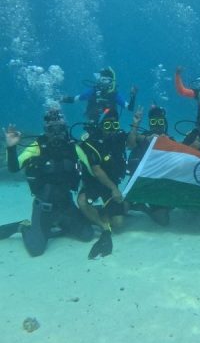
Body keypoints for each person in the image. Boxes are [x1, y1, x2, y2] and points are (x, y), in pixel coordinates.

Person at [4, 110, 94, 256]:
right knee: (36, 250)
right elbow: (14, 168)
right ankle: (22, 226)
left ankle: (58, 222)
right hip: (43, 209)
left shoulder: (74, 147)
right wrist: (11, 147)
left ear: (65, 128)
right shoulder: (37, 147)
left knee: (87, 235)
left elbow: (91, 172)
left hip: (66, 206)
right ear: (45, 130)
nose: (56, 133)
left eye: (60, 128)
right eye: (52, 129)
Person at [77, 108, 128, 258]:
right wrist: (114, 189)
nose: (111, 129)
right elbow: (97, 170)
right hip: (94, 183)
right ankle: (103, 225)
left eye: (114, 125)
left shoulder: (119, 139)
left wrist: (135, 124)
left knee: (119, 224)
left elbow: (132, 143)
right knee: (82, 201)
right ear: (101, 126)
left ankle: (101, 211)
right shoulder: (90, 143)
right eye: (107, 125)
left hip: (110, 184)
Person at [126, 105, 172, 225]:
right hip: (138, 182)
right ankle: (135, 203)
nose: (157, 125)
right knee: (122, 208)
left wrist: (167, 143)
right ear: (149, 123)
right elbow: (130, 144)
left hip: (157, 185)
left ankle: (144, 208)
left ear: (164, 123)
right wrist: (135, 124)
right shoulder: (142, 137)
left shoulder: (171, 140)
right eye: (153, 122)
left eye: (160, 122)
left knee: (163, 221)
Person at [61, 67, 137, 122]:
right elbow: (74, 99)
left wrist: (133, 96)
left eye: (108, 80)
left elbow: (130, 108)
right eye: (103, 80)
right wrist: (61, 99)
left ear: (112, 82)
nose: (105, 83)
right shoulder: (92, 92)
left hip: (110, 126)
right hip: (93, 125)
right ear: (99, 80)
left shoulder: (114, 95)